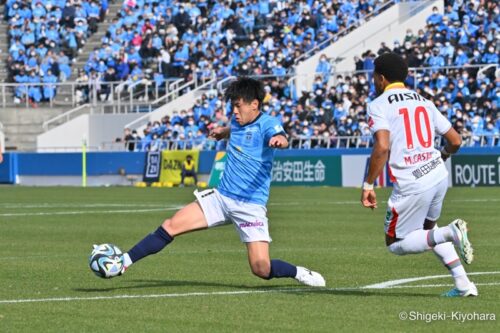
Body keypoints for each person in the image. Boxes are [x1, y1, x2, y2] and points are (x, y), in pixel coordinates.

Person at [111, 77, 325, 286]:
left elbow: (281, 137)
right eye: (233, 106)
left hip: (249, 206)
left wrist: (280, 141)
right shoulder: (238, 121)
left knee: (261, 268)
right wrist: (225, 132)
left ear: (254, 105)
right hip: (221, 198)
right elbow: (239, 130)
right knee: (170, 226)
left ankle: (298, 272)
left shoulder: (268, 124)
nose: (234, 111)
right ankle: (123, 262)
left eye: (238, 106)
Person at [361, 53, 476, 297]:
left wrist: (368, 184)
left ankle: (451, 232)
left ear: (380, 78)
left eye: (374, 77)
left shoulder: (378, 104)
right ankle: (464, 285)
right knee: (427, 232)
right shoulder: (424, 101)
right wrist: (441, 156)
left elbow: (381, 147)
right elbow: (455, 141)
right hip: (437, 174)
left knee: (395, 244)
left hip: (413, 183)